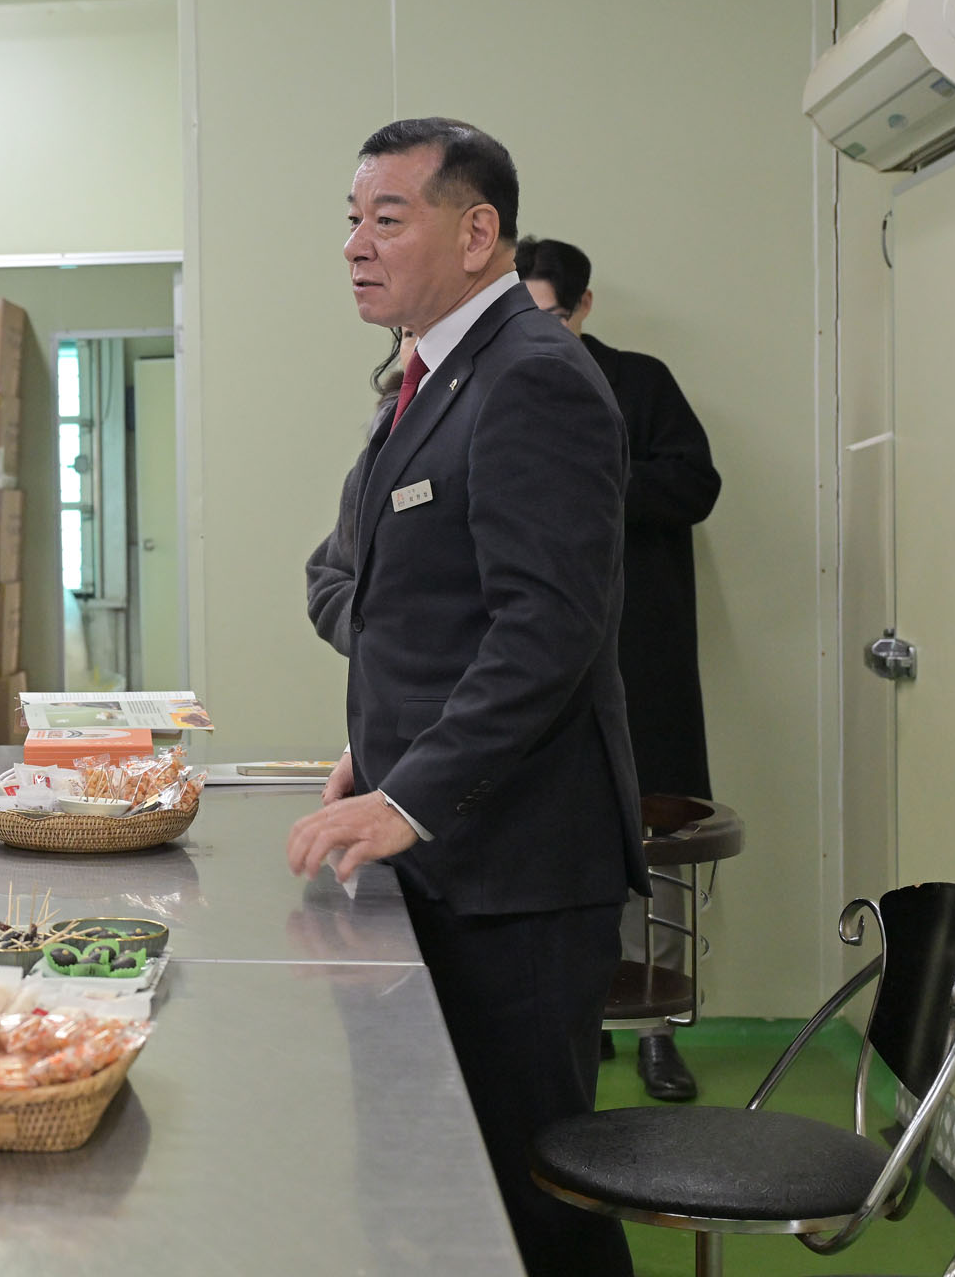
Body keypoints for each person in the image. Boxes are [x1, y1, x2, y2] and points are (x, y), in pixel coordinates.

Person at [285, 118, 646, 1277]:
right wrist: (381, 744)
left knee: (538, 1194)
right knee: (447, 1178)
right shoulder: (429, 377)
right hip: (457, 848)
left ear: (478, 231)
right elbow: (393, 591)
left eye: (388, 218)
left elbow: (549, 627)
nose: (356, 244)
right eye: (352, 219)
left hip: (520, 866)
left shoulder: (533, 375)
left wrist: (411, 793)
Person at [519, 235, 721, 1102]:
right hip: (541, 660)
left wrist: (591, 482)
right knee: (561, 835)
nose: (536, 333)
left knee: (656, 838)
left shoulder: (640, 383)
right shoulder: (498, 386)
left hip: (642, 652)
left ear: (584, 308)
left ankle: (659, 1031)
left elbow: (696, 486)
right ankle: (581, 1014)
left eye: (551, 315)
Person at [306, 329, 414, 655]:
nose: (420, 347)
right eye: (409, 334)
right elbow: (328, 577)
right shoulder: (381, 450)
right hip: (393, 678)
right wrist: (373, 637)